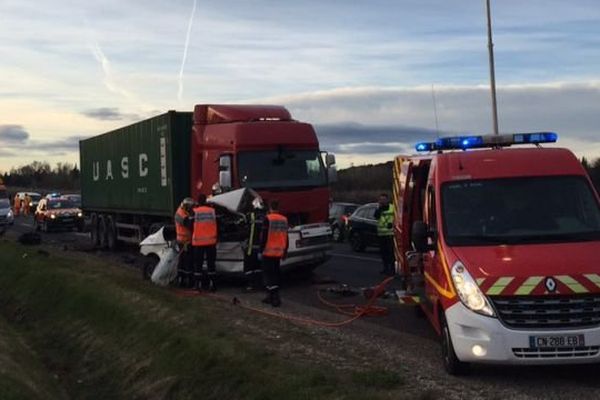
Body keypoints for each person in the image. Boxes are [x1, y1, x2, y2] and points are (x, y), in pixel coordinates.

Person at [259, 200, 288, 307]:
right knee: (275, 273)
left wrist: (260, 250)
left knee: (268, 275)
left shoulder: (268, 219)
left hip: (268, 252)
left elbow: (264, 236)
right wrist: (285, 251)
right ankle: (271, 296)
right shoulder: (284, 219)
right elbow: (286, 236)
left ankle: (274, 297)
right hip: (278, 252)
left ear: (270, 207)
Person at [192, 193, 218, 291]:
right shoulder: (212, 211)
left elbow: (189, 224)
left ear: (198, 201)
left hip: (198, 243)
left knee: (198, 265)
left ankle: (197, 285)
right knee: (211, 264)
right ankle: (212, 285)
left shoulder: (195, 212)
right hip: (211, 242)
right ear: (206, 201)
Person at [243, 198, 265, 291]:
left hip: (250, 248)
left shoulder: (249, 215)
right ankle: (259, 284)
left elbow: (243, 228)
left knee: (249, 268)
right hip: (261, 248)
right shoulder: (265, 217)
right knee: (258, 267)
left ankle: (250, 285)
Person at [174, 197, 195, 288]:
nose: (191, 209)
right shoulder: (180, 214)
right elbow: (189, 224)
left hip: (186, 240)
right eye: (190, 207)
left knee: (185, 261)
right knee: (185, 261)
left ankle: (183, 279)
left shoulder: (184, 211)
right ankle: (184, 280)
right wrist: (194, 217)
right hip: (183, 241)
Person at [374, 193, 395, 276]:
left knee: (391, 253)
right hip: (381, 234)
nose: (382, 201)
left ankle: (392, 269)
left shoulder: (392, 207)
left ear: (387, 200)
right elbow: (376, 216)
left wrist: (393, 224)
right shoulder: (379, 208)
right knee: (383, 253)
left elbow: (397, 217)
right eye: (381, 199)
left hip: (390, 234)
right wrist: (379, 208)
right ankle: (385, 268)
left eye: (384, 199)